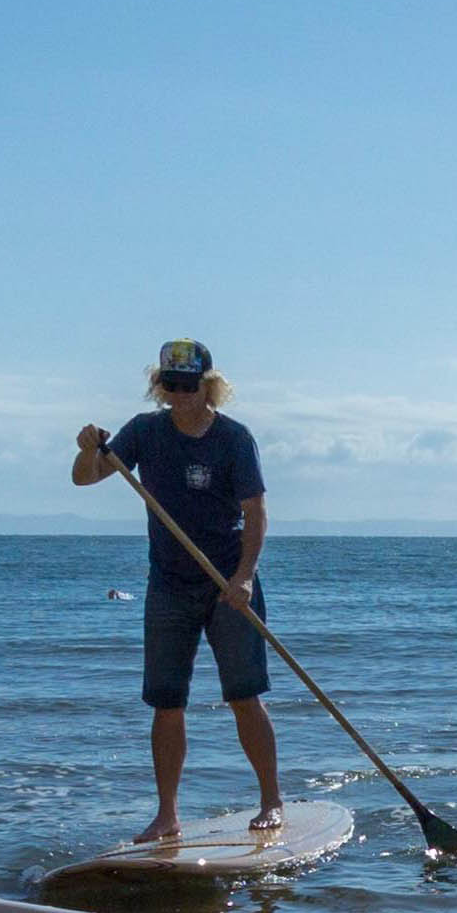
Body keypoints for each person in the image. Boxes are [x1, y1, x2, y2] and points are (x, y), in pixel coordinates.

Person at [70, 339, 281, 843]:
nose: (181, 395)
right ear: (159, 386)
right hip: (168, 584)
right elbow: (86, 479)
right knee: (167, 701)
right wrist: (85, 451)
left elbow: (255, 514)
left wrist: (245, 577)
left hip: (227, 581)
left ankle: (271, 800)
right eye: (171, 385)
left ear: (208, 387)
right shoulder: (144, 432)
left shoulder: (234, 439)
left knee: (244, 695)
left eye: (190, 385)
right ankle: (167, 815)